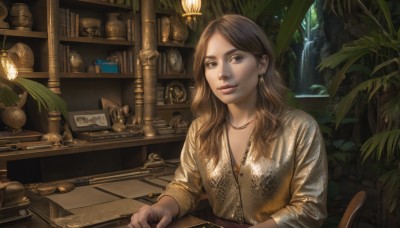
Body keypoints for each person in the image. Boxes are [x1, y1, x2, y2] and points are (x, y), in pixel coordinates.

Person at [129, 14, 327, 228]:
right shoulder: (200, 129)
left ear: (262, 63)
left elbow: (310, 208)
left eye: (235, 58)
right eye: (211, 63)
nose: (222, 73)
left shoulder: (301, 128)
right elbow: (185, 186)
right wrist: (162, 208)